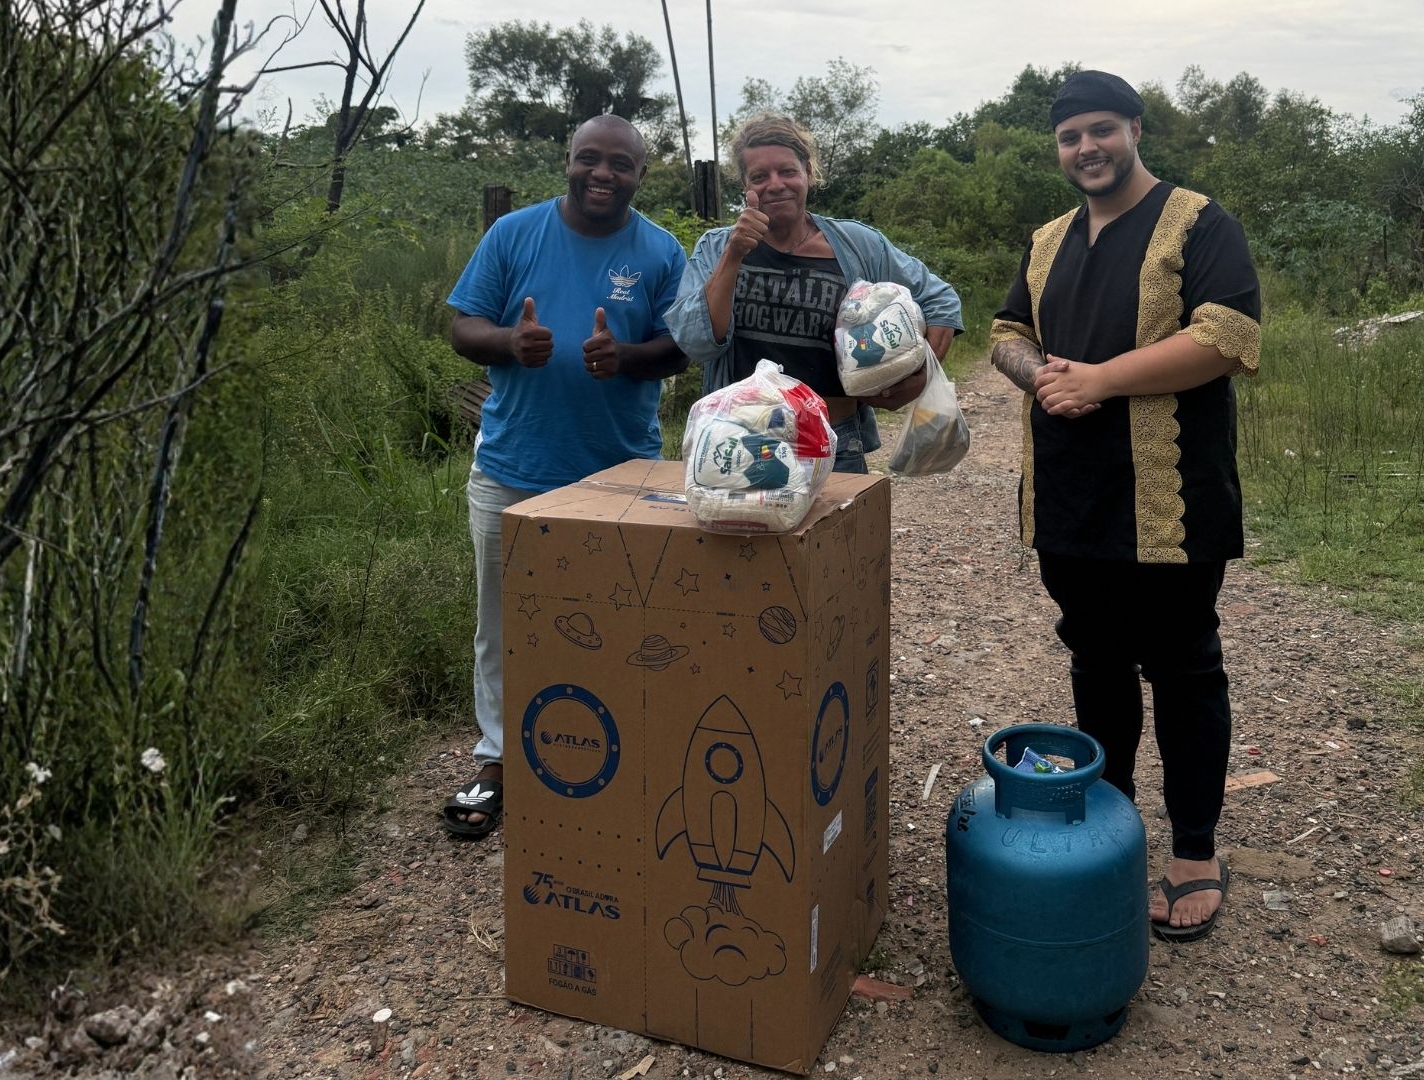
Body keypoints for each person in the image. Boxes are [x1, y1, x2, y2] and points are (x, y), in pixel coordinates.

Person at [987, 71, 1262, 942]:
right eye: (1070, 137)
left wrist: (1100, 379)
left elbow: (1227, 337)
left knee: (1183, 664)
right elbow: (1007, 333)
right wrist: (1044, 378)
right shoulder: (1046, 240)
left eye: (1101, 130)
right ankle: (1109, 833)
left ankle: (1194, 851)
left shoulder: (1199, 222)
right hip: (1069, 492)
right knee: (1095, 660)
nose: (1087, 149)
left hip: (1169, 494)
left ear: (1136, 129)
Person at [439, 115, 688, 838]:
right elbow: (462, 327)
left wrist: (628, 357)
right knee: (503, 624)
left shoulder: (661, 250)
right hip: (513, 469)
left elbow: (680, 346)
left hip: (621, 476)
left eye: (620, 164)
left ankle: (612, 754)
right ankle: (497, 761)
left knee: (620, 622)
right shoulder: (513, 233)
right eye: (589, 159)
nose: (602, 174)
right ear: (568, 161)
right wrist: (510, 342)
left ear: (641, 175)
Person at [666, 113, 963, 473]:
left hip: (835, 444)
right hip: (740, 445)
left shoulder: (857, 245)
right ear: (744, 185)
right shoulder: (716, 248)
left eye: (787, 171)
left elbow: (940, 300)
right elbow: (696, 343)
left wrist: (918, 375)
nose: (776, 185)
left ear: (808, 172)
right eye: (759, 176)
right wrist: (734, 254)